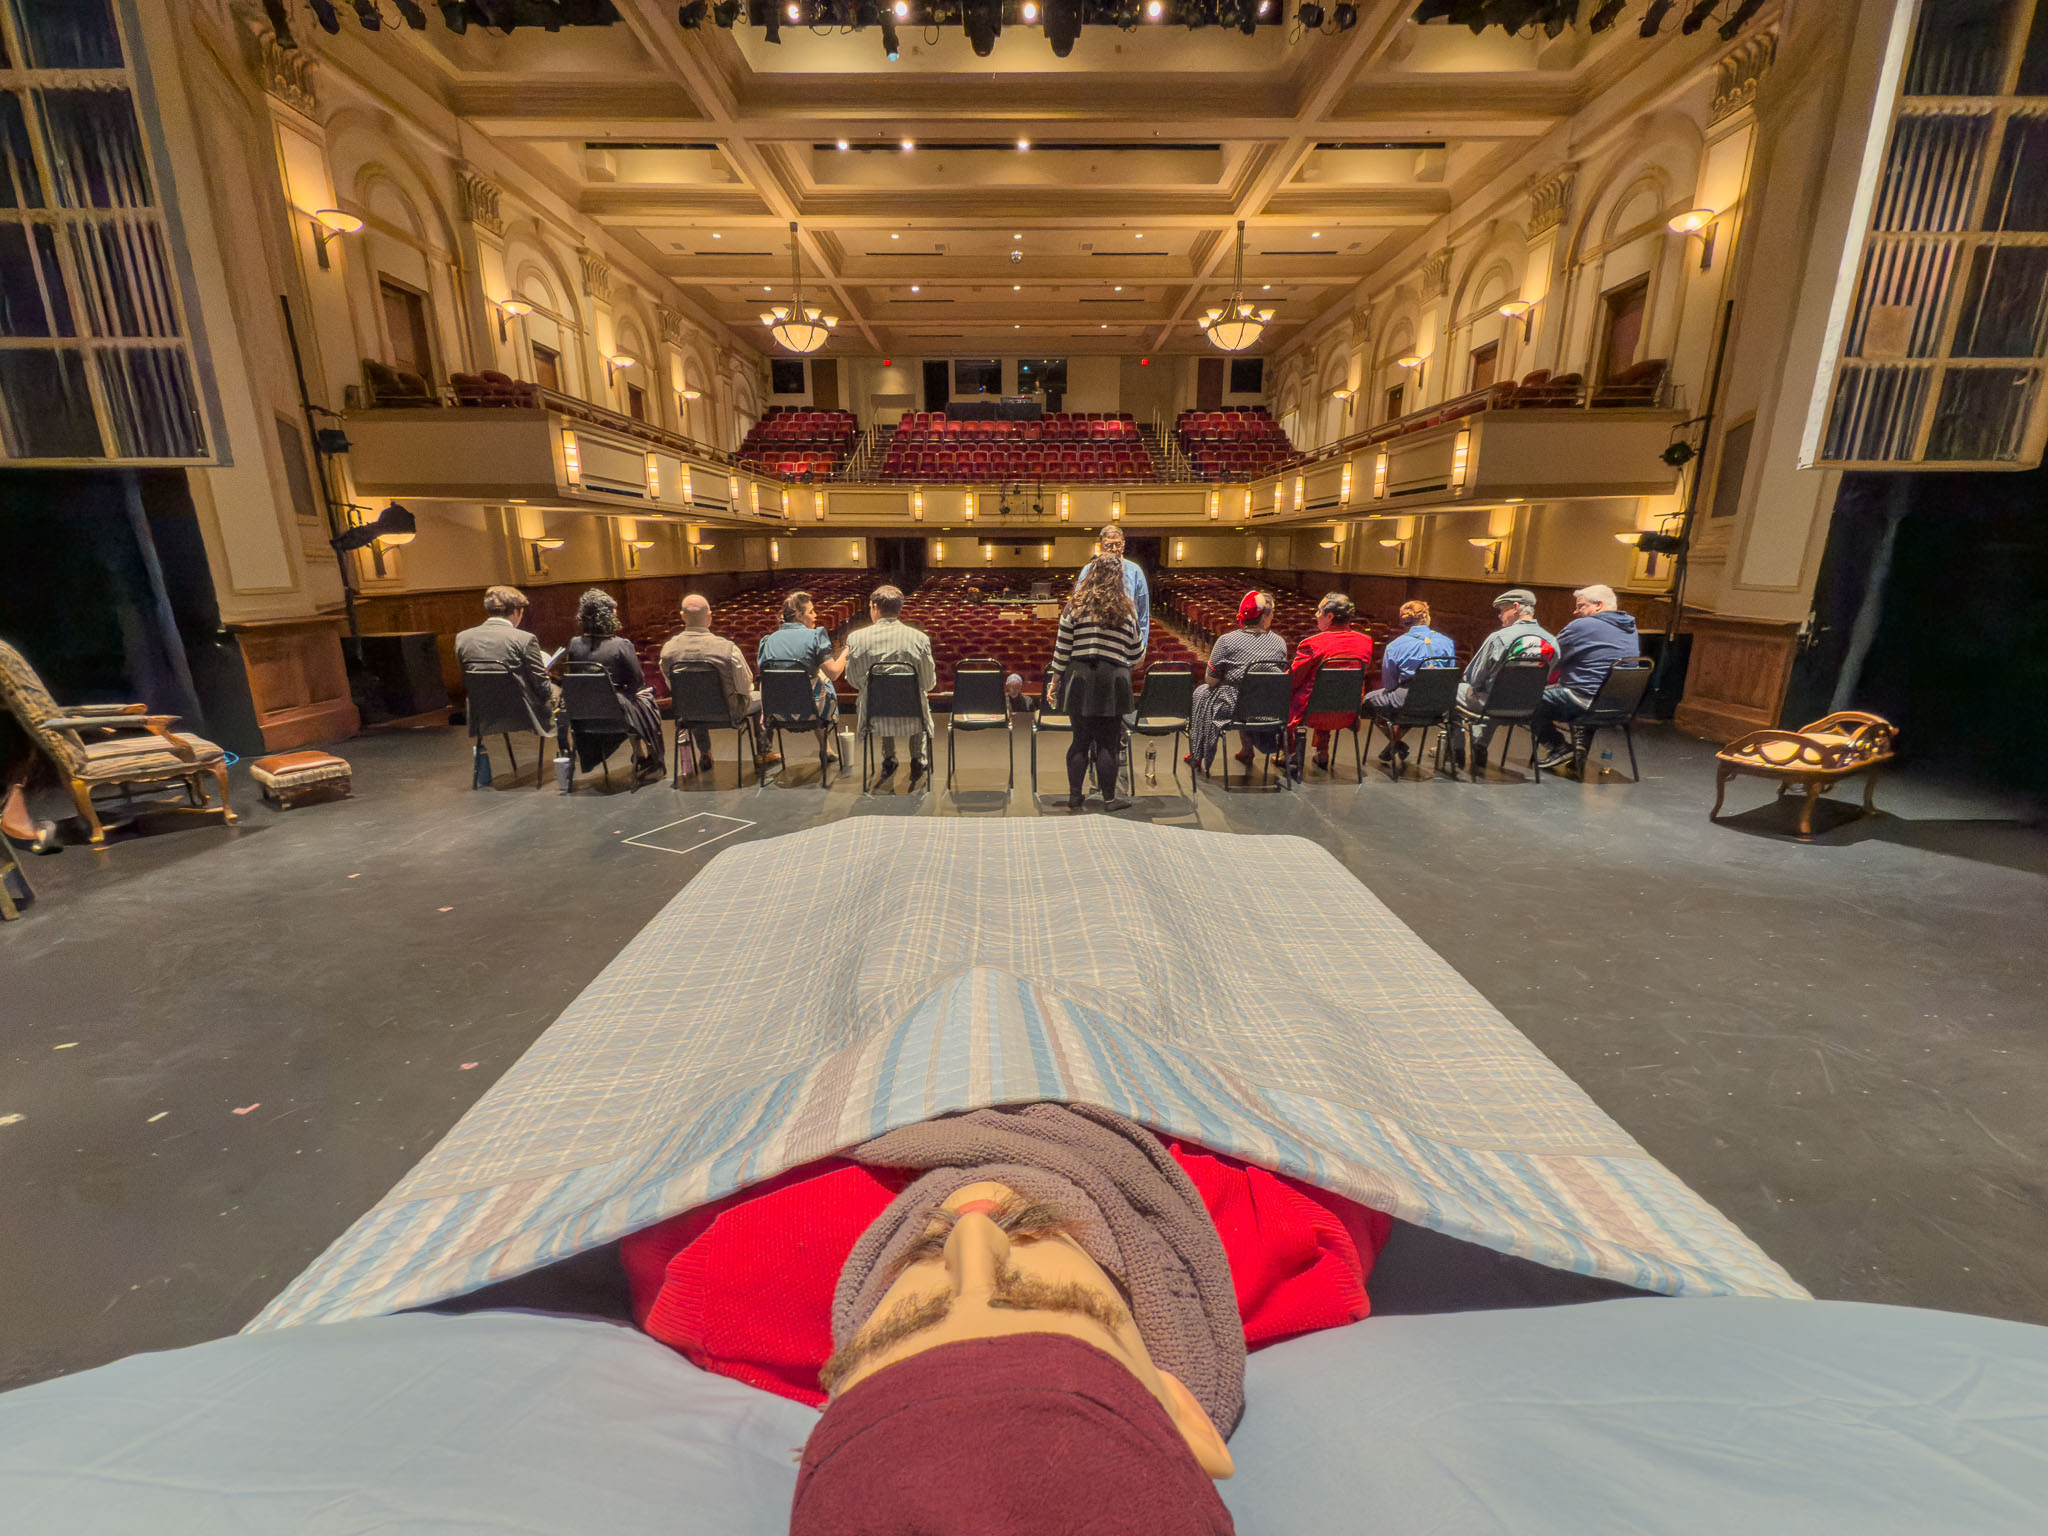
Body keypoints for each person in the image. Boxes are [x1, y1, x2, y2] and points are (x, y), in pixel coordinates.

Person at [618, 1102, 1392, 1535]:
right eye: (1042, 1298)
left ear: (833, 1405)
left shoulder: (726, 1272)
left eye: (914, 1318)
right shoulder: (1290, 1239)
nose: (975, 1233)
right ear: (1182, 1407)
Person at [1046, 554, 1145, 812]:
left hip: (1079, 677)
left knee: (1080, 739)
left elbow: (1062, 648)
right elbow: (1136, 653)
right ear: (1118, 578)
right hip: (1113, 679)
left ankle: (1075, 797)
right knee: (1108, 742)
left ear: (1091, 574)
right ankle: (1110, 799)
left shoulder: (1075, 606)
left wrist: (1055, 681)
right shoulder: (1126, 609)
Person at [659, 594, 779, 771]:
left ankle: (705, 752)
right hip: (729, 712)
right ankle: (764, 752)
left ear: (682, 616)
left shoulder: (667, 651)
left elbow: (676, 689)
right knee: (763, 698)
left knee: (691, 698)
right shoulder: (728, 649)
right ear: (710, 616)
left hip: (690, 714)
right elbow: (745, 687)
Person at [1534, 584, 1640, 772]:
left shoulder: (1582, 626)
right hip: (1619, 706)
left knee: (1525, 699)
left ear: (1598, 605)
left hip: (1583, 702)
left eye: (1581, 606)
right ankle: (1579, 753)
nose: (1575, 612)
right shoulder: (1630, 628)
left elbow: (1551, 656)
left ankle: (1558, 747)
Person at [563, 587, 664, 783]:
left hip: (584, 715)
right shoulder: (621, 645)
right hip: (617, 714)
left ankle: (640, 754)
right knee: (646, 700)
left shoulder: (574, 644)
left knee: (630, 700)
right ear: (607, 616)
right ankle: (654, 760)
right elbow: (637, 681)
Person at [1452, 587, 1558, 772]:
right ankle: (1480, 744)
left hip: (1492, 704)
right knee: (1501, 695)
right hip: (1528, 708)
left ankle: (1457, 751)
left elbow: (1473, 678)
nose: (1499, 615)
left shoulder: (1499, 638)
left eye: (1502, 610)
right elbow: (1548, 677)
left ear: (1516, 607)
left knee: (1455, 690)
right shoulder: (1552, 641)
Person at [841, 584, 937, 785]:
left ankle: (889, 758)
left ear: (875, 607)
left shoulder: (856, 638)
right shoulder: (919, 639)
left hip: (874, 714)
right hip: (913, 714)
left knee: (877, 694)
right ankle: (918, 758)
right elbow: (928, 683)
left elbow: (853, 680)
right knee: (918, 695)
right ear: (899, 609)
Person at [1187, 591, 1288, 777]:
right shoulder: (1279, 642)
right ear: (1263, 616)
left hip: (1234, 710)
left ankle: (1197, 754)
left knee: (1203, 692)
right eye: (1272, 612)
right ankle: (1246, 750)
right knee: (1248, 693)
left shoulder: (1226, 641)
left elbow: (1210, 679)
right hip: (1269, 709)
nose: (1273, 616)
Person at [453, 584, 563, 745]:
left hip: (482, 711)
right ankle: (563, 751)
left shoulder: (462, 638)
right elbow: (542, 689)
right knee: (560, 692)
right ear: (517, 611)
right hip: (521, 712)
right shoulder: (524, 639)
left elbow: (467, 677)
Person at [1286, 592, 1376, 778]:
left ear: (1330, 616)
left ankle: (1290, 753)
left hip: (1310, 713)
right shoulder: (1366, 642)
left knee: (1295, 693)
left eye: (1319, 611)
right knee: (1330, 690)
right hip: (1348, 711)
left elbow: (1293, 679)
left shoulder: (1313, 644)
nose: (1316, 615)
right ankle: (1322, 751)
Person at [1362, 600, 1457, 769]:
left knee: (1368, 700)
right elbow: (1449, 674)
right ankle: (1395, 743)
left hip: (1407, 700)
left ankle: (1396, 743)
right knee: (1414, 703)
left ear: (1402, 621)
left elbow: (1390, 685)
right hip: (1439, 703)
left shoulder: (1395, 646)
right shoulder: (1447, 642)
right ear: (1426, 616)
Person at [757, 589, 847, 763]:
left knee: (812, 681)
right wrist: (846, 652)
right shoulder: (815, 636)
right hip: (812, 711)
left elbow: (764, 681)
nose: (816, 615)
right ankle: (825, 747)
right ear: (798, 615)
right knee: (824, 680)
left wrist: (764, 711)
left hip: (778, 712)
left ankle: (825, 748)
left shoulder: (768, 641)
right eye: (811, 612)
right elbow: (835, 673)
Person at [1075, 524, 1150, 650]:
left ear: (1123, 544)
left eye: (1118, 544)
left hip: (1126, 640)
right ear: (1101, 546)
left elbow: (1143, 614)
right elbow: (1078, 605)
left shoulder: (1135, 571)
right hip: (1094, 637)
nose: (1114, 549)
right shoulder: (1088, 570)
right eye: (1109, 545)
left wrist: (1142, 646)